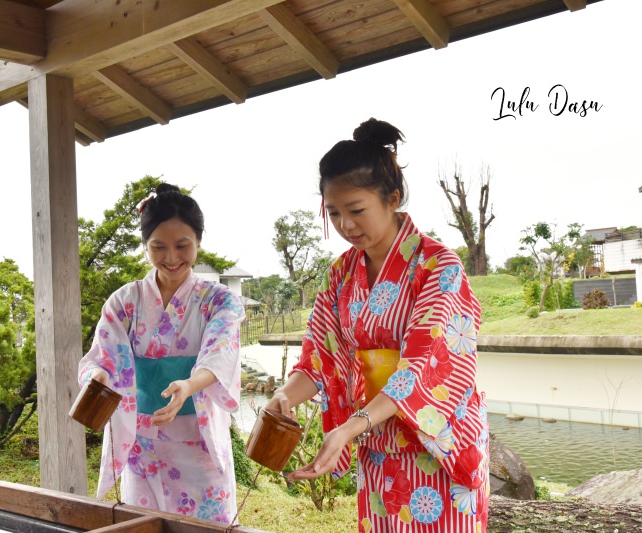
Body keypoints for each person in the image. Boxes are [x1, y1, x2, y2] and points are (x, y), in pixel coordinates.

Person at [266, 119, 489, 532]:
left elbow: (426, 366)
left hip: (436, 443)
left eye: (356, 211)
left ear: (393, 198)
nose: (346, 225)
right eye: (333, 213)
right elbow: (321, 357)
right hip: (376, 442)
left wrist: (353, 426)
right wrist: (285, 396)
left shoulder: (438, 266)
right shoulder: (340, 274)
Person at [78, 183, 244, 524]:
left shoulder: (219, 300)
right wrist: (99, 375)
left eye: (183, 246)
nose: (171, 258)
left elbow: (219, 353)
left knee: (206, 530)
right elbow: (103, 357)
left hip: (198, 446)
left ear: (198, 242)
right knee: (143, 528)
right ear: (145, 246)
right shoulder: (125, 301)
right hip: (142, 443)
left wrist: (189, 384)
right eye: (159, 247)